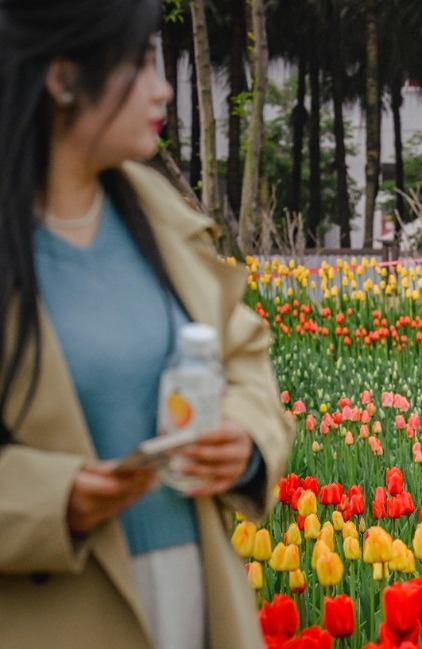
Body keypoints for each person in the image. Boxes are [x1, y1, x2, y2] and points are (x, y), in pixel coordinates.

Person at [0, 1, 293, 647]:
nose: (163, 89)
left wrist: (243, 436)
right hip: (53, 609)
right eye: (140, 65)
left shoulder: (160, 214)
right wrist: (50, 500)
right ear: (63, 76)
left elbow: (243, 352)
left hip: (195, 585)